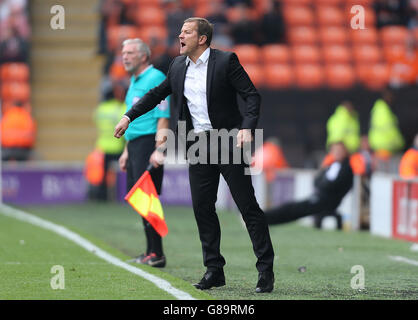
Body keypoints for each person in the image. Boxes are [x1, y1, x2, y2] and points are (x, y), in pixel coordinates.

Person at [114, 17, 275, 293]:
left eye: (186, 32)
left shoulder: (226, 62)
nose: (180, 35)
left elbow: (251, 96)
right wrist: (129, 116)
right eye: (180, 31)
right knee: (202, 207)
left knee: (247, 205)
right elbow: (156, 95)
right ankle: (214, 269)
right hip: (197, 143)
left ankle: (265, 271)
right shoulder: (177, 66)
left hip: (228, 140)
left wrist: (247, 128)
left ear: (202, 39)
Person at [118, 38, 170, 268]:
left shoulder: (156, 78)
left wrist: (160, 148)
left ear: (143, 56)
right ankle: (151, 251)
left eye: (130, 52)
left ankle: (157, 253)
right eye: (123, 52)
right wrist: (127, 151)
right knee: (140, 197)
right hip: (135, 145)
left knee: (147, 196)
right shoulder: (134, 80)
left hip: (149, 142)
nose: (125, 56)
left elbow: (163, 116)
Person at [264, 142, 354, 230]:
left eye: (339, 150)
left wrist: (324, 185)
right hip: (318, 198)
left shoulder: (347, 169)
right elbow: (317, 181)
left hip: (326, 202)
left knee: (293, 209)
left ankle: (264, 218)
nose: (336, 153)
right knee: (290, 208)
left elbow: (332, 186)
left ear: (345, 152)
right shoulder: (330, 166)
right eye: (334, 150)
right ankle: (265, 218)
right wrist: (324, 184)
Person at [92, 80, 126, 201]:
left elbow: (96, 120)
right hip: (117, 146)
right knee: (122, 173)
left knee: (103, 176)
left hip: (102, 146)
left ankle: (101, 197)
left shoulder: (100, 109)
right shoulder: (121, 107)